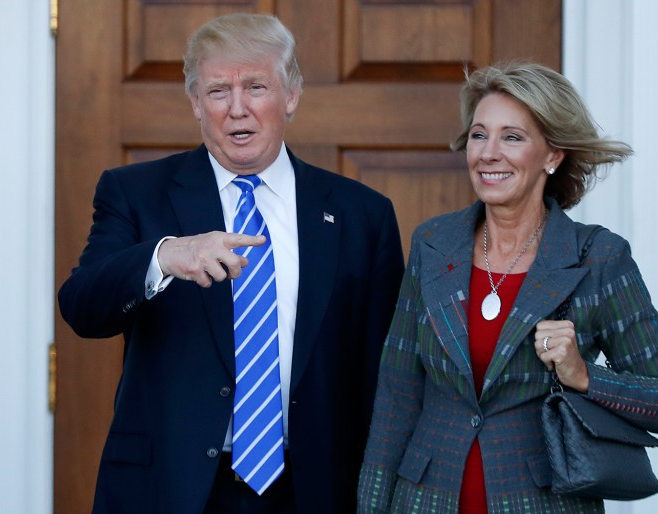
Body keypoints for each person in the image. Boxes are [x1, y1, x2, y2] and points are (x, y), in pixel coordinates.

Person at [58, 13, 404, 514]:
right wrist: (164, 257)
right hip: (171, 488)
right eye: (218, 91)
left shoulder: (361, 214)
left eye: (256, 86)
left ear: (292, 95)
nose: (237, 109)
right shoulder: (135, 194)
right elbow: (82, 306)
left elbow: (384, 375)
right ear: (196, 103)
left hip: (315, 488)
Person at [357, 62, 658, 514]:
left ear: (553, 156)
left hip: (542, 502)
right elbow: (397, 398)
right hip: (425, 500)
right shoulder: (433, 244)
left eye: (512, 137)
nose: (488, 153)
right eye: (479, 135)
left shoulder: (598, 257)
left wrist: (584, 376)